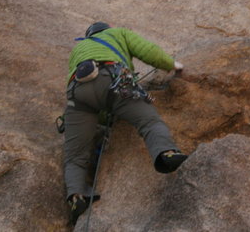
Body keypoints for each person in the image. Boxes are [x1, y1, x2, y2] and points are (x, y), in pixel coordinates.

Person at [62, 22, 187, 224]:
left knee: (75, 154)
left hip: (78, 93)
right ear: (106, 29)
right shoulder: (117, 33)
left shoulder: (78, 48)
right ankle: (166, 153)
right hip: (112, 78)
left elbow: (97, 107)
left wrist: (107, 116)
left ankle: (76, 196)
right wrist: (171, 64)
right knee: (149, 121)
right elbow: (147, 50)